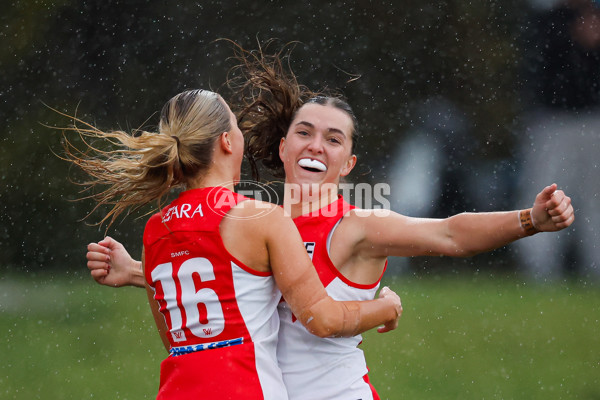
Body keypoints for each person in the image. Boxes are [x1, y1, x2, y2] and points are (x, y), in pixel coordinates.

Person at [86, 44, 575, 400]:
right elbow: (225, 287)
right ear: (283, 148)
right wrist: (137, 272)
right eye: (305, 132)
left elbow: (449, 232)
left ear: (349, 165)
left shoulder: (357, 226)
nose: (317, 145)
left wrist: (528, 219)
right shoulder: (255, 223)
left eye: (334, 139)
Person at [63, 89, 402, 400]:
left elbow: (179, 338)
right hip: (244, 389)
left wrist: (137, 272)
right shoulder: (260, 218)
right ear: (227, 141)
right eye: (238, 128)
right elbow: (323, 320)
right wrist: (387, 307)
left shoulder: (155, 230)